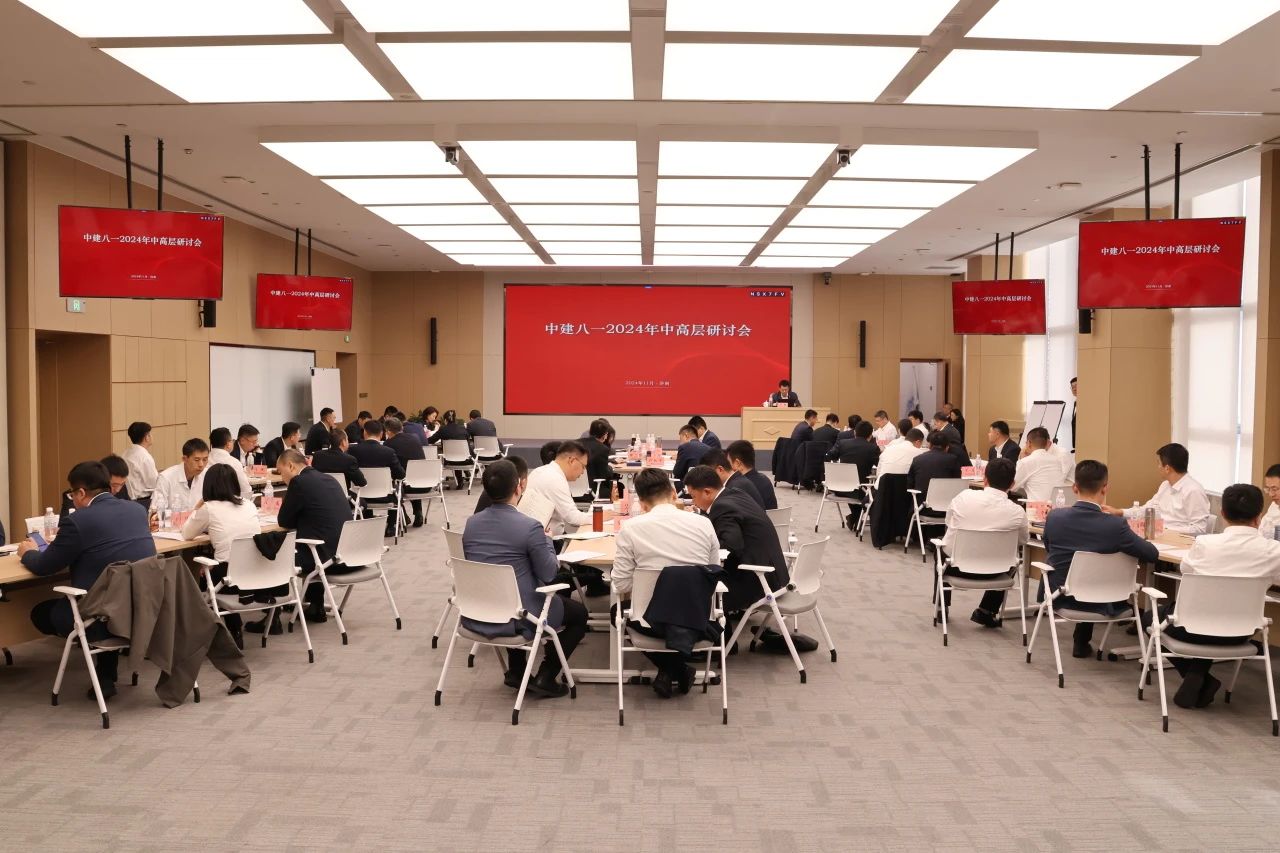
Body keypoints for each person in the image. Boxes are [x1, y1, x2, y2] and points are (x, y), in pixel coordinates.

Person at [22, 461, 156, 699]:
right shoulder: (137, 510)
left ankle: (103, 672)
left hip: (100, 617)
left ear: (81, 493)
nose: (72, 499)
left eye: (72, 494)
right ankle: (105, 675)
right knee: (109, 598)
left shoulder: (78, 521)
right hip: (140, 610)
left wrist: (28, 552)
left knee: (40, 613)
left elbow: (45, 566)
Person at [462, 459, 587, 698]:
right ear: (520, 486)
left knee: (515, 591)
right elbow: (549, 573)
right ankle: (546, 676)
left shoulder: (472, 524)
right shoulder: (530, 527)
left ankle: (517, 671)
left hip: (478, 610)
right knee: (579, 614)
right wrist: (547, 540)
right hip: (517, 615)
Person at [1151, 483, 1280, 708]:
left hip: (1193, 628)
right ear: (1259, 517)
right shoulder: (1273, 551)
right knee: (1218, 617)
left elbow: (1185, 570)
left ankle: (1199, 677)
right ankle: (1199, 675)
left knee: (1151, 618)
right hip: (1242, 631)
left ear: (1222, 514)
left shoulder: (1205, 544)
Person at [612, 468, 722, 697]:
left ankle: (673, 670)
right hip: (696, 618)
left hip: (649, 622)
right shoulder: (704, 523)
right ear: (673, 492)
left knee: (616, 611)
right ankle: (677, 669)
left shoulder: (631, 528)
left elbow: (621, 585)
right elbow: (713, 572)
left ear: (641, 503)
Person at [1042, 460, 1159, 659]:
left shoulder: (1054, 517)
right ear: (1105, 488)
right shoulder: (1116, 526)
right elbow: (1151, 554)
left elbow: (1049, 548)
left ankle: (1082, 639)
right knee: (1095, 574)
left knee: (1085, 574)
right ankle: (1081, 640)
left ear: (1074, 488)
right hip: (1104, 598)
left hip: (1060, 595)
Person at [272, 449, 360, 626]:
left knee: (274, 555)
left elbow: (284, 520)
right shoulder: (329, 479)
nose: (282, 477)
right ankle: (315, 605)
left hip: (326, 560)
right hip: (349, 555)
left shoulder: (298, 482)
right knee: (312, 540)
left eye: (281, 472)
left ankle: (272, 617)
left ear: (291, 466)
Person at [684, 465, 788, 614]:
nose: (693, 502)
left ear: (707, 492)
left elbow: (731, 547)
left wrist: (698, 545)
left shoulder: (722, 507)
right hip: (775, 575)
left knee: (690, 582)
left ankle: (717, 626)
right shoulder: (733, 493)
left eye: (693, 496)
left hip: (758, 582)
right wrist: (701, 516)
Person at [940, 458, 1029, 628]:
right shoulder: (1018, 512)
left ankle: (942, 607)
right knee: (1011, 557)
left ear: (984, 478)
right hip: (997, 571)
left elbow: (948, 522)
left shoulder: (964, 497)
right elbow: (1022, 540)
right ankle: (987, 610)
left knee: (941, 551)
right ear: (1012, 484)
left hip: (957, 567)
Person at [180, 463, 262, 645]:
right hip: (255, 576)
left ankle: (216, 630)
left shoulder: (209, 508)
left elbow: (186, 533)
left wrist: (198, 506)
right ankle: (233, 629)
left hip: (229, 579)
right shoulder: (249, 505)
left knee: (204, 572)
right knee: (217, 565)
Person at [1104, 443, 1211, 536]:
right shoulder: (1165, 485)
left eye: (1159, 463)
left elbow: (1199, 529)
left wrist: (1162, 528)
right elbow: (1148, 510)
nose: (1158, 467)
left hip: (1179, 543)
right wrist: (1119, 512)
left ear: (1167, 468)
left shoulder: (1194, 490)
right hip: (1160, 536)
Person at [523, 440, 593, 536]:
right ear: (572, 461)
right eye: (583, 466)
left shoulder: (539, 471)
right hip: (546, 540)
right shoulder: (555, 478)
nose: (583, 472)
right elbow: (573, 518)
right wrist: (600, 516)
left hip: (534, 535)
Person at [348, 419, 405, 536]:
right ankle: (391, 526)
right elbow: (401, 474)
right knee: (398, 489)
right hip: (385, 496)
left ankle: (367, 522)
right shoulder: (388, 452)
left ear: (364, 432)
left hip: (360, 496)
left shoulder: (353, 450)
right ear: (381, 434)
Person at [907, 432, 964, 529]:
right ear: (947, 447)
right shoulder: (953, 460)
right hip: (949, 510)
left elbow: (909, 485)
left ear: (930, 445)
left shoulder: (917, 459)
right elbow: (957, 483)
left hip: (923, 508)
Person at [59, 455, 132, 523]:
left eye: (122, 484)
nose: (117, 490)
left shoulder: (122, 489)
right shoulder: (74, 495)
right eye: (114, 485)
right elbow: (66, 523)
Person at [384, 417, 427, 528]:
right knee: (412, 476)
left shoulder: (388, 444)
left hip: (406, 486)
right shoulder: (415, 438)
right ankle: (418, 512)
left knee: (394, 482)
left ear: (388, 432)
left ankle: (401, 516)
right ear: (402, 428)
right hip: (426, 482)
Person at [153, 438, 210, 514]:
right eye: (196, 460)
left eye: (205, 459)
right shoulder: (166, 477)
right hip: (172, 521)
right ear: (184, 459)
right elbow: (155, 512)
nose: (201, 465)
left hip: (200, 521)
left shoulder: (208, 474)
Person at [1013, 427, 1067, 502]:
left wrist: (1022, 458)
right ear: (1046, 443)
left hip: (1037, 507)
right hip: (1057, 506)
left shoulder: (1026, 462)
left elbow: (1013, 487)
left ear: (1029, 443)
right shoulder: (1057, 460)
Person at [725, 440, 778, 511]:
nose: (728, 467)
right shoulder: (765, 479)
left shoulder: (737, 487)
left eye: (729, 463)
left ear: (738, 463)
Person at [311, 428, 366, 492]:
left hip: (322, 493)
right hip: (342, 495)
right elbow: (362, 483)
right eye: (347, 439)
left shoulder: (317, 455)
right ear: (343, 442)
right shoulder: (349, 460)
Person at [207, 427, 254, 499]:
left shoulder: (205, 460)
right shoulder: (234, 462)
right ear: (228, 444)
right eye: (232, 441)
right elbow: (246, 490)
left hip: (208, 502)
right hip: (230, 502)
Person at [122, 420, 158, 507]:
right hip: (144, 502)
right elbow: (154, 483)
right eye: (149, 434)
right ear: (146, 437)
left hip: (127, 499)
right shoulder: (144, 457)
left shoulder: (125, 453)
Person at [584, 418, 620, 499]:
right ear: (605, 435)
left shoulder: (576, 444)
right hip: (594, 490)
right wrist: (610, 468)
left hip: (575, 491)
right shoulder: (602, 449)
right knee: (618, 487)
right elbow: (604, 475)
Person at [1261, 463, 1280, 540]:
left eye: (1274, 489)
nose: (1271, 494)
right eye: (1268, 489)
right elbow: (1261, 532)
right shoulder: (1274, 506)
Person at [1069, 376, 1077, 453]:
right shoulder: (1075, 403)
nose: (1074, 389)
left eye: (1076, 386)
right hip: (1077, 445)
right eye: (1072, 387)